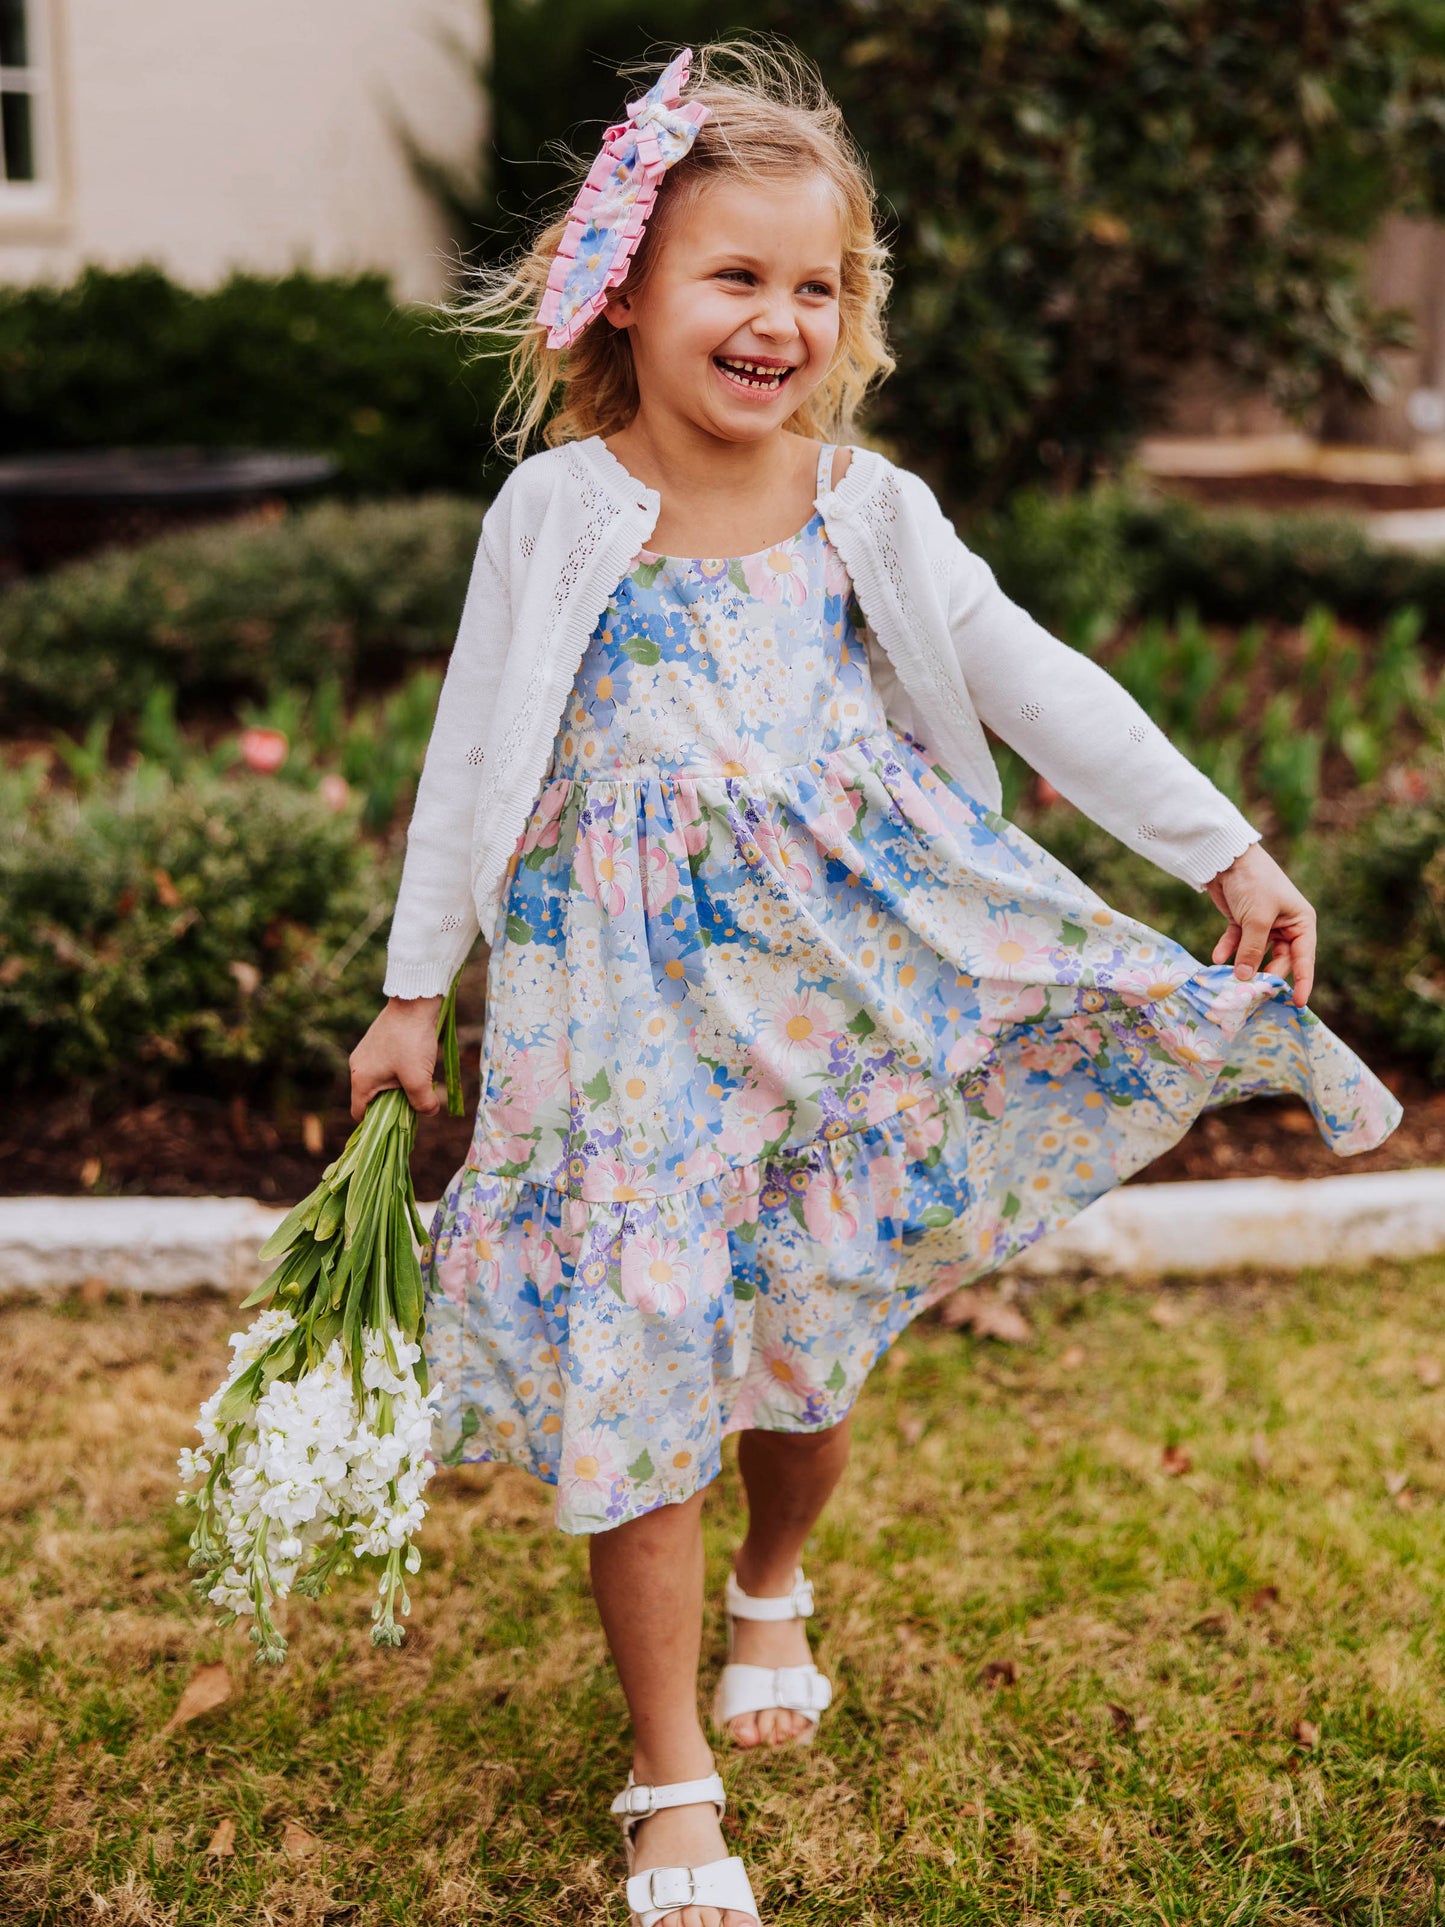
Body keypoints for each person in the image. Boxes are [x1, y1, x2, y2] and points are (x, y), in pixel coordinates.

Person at [347, 40, 1402, 1927]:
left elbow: (1041, 686)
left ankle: (775, 1587)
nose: (779, 318)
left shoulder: (868, 511)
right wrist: (416, 989)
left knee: (801, 1335)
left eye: (815, 284)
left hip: (834, 998)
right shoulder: (555, 513)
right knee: (641, 1347)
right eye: (733, 276)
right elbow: (466, 761)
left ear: (854, 315)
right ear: (630, 294)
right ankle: (666, 1769)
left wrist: (1227, 850)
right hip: (616, 1027)